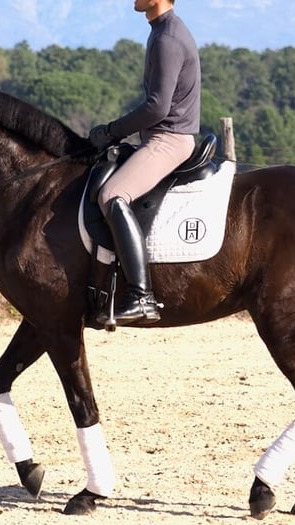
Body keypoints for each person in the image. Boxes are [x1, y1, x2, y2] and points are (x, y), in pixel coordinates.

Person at [89, 0, 201, 326]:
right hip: (158, 136)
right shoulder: (161, 31)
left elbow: (156, 108)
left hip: (169, 139)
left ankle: (141, 297)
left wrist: (111, 131)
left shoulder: (168, 38)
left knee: (112, 195)